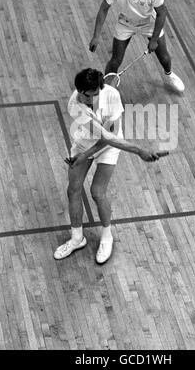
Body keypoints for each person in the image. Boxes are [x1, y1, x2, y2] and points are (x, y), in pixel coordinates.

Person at [54, 68, 160, 265]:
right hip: (85, 143)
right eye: (79, 92)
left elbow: (111, 137)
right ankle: (77, 238)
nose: (81, 97)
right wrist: (139, 151)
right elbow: (102, 135)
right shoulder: (75, 104)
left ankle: (107, 236)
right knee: (73, 189)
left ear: (97, 91)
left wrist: (138, 151)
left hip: (110, 147)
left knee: (97, 192)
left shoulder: (112, 96)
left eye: (87, 95)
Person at [89, 0, 185, 93]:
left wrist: (154, 40)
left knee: (164, 58)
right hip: (125, 23)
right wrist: (96, 36)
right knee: (115, 61)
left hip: (148, 24)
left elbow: (162, 14)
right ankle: (105, 90)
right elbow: (103, 9)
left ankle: (169, 74)